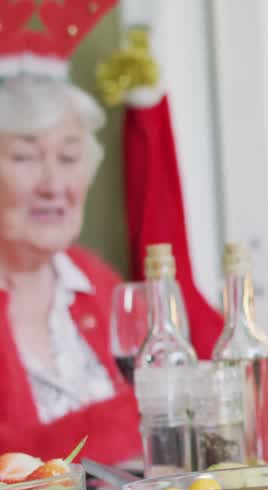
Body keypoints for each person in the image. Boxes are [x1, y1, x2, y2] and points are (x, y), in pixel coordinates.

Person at [0, 15, 141, 465]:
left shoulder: (98, 284)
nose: (53, 184)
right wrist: (123, 423)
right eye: (24, 156)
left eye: (68, 157)